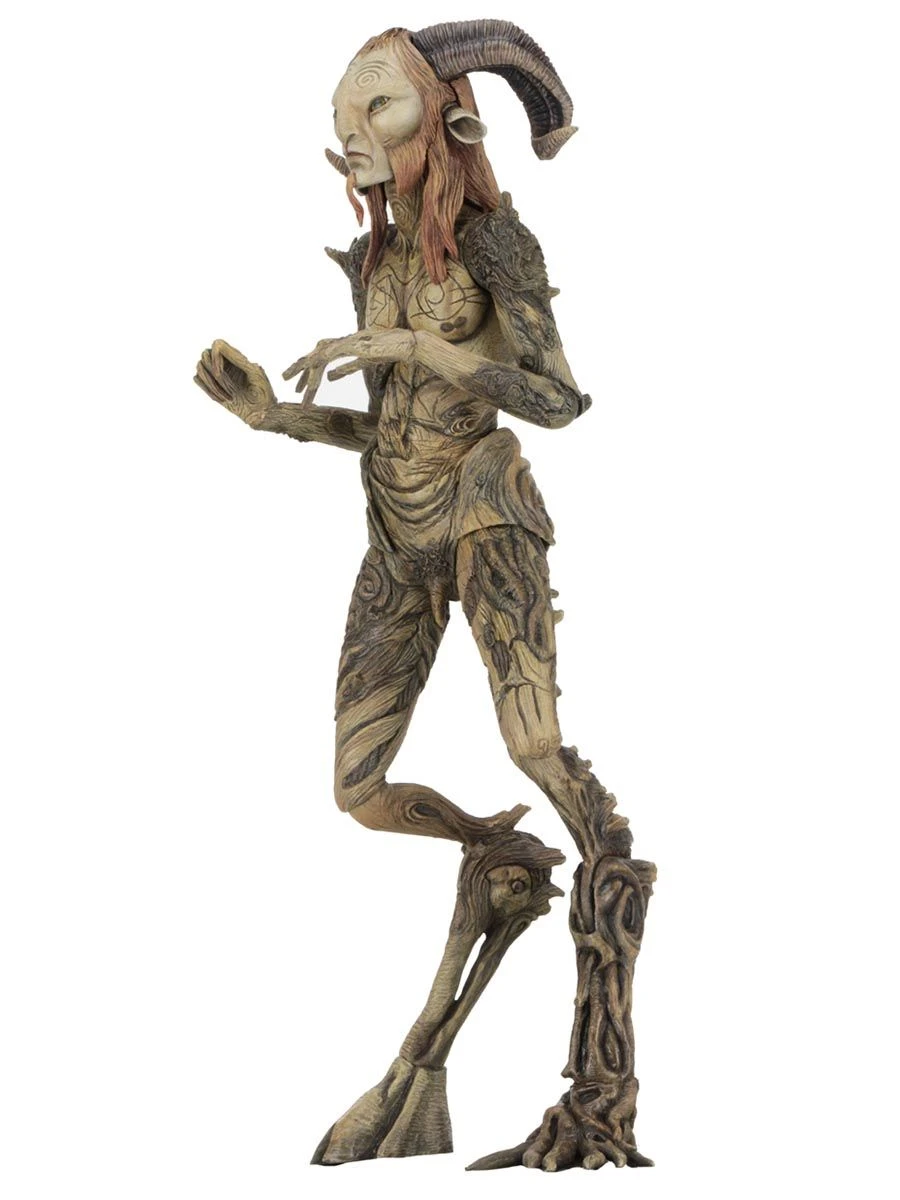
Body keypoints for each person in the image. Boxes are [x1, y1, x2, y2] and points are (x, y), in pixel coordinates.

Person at [194, 20, 631, 857]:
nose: (351, 136)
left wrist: (420, 346)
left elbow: (557, 401)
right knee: (358, 793)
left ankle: (608, 866)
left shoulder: (495, 242)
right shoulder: (376, 257)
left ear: (447, 120)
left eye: (378, 107)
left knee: (533, 745)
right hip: (397, 537)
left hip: (483, 511)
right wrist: (272, 415)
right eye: (342, 118)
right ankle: (495, 854)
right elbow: (389, 431)